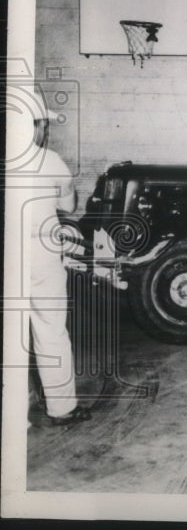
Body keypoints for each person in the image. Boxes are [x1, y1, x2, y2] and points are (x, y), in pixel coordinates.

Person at [28, 108, 91, 426]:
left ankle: (13, 419)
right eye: (43, 125)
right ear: (36, 126)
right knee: (50, 330)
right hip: (39, 256)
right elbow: (68, 206)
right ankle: (61, 408)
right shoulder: (49, 160)